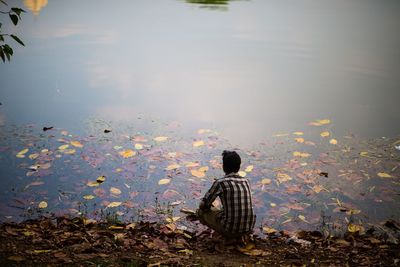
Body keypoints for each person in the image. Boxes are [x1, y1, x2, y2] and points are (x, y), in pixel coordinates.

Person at [197, 150, 256, 243]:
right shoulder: (246, 181)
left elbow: (204, 205)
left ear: (223, 167)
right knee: (225, 210)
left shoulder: (220, 183)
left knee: (201, 211)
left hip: (230, 230)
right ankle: (240, 235)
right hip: (248, 229)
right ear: (239, 166)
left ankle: (223, 235)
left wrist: (204, 208)